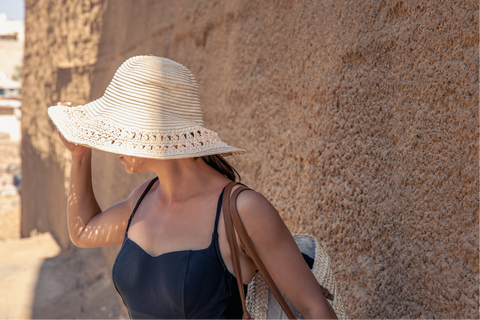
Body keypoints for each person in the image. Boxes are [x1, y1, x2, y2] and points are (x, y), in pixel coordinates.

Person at [49, 56, 338, 320]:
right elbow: (85, 231)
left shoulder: (242, 211)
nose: (109, 141)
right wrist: (80, 155)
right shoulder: (142, 199)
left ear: (155, 129)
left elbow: (314, 308)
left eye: (120, 127)